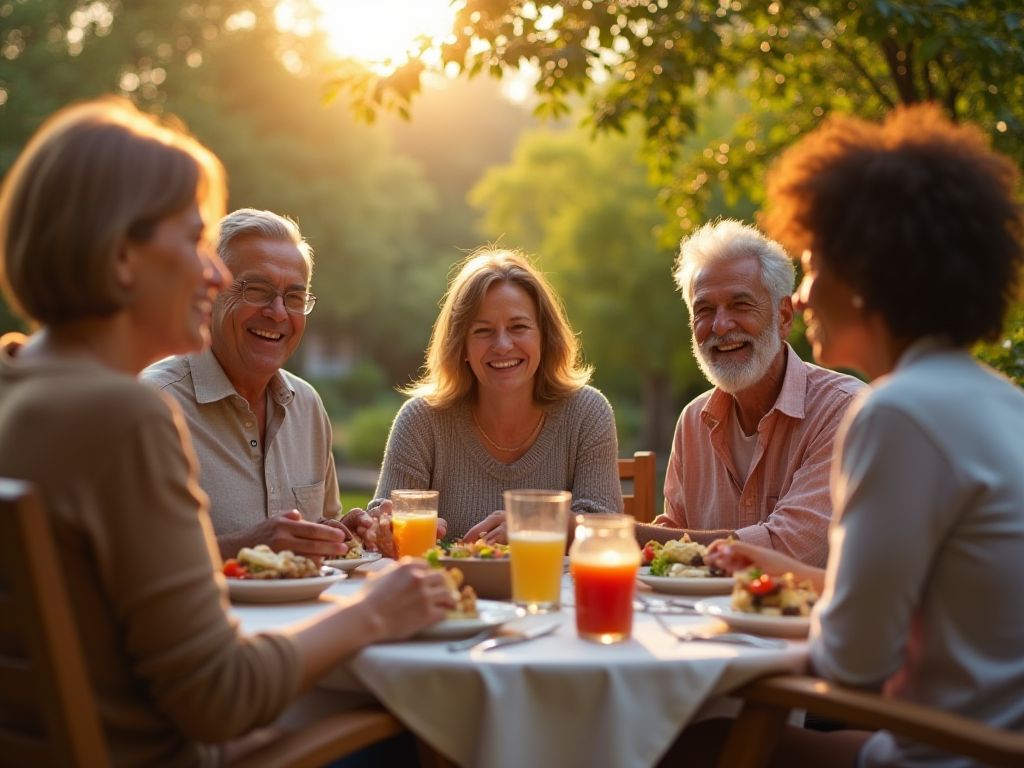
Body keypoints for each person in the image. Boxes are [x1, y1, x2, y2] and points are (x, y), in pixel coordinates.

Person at [0, 97, 453, 767]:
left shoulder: (17, 385)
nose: (211, 275)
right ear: (121, 255)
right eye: (193, 241)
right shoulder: (126, 417)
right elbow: (219, 695)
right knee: (435, 729)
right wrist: (377, 611)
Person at [684, 105, 1024, 767]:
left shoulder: (898, 412)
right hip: (993, 741)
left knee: (689, 741)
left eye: (812, 267)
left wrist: (709, 637)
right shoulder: (1000, 401)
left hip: (948, 754)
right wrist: (783, 572)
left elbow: (853, 660)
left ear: (867, 278)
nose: (803, 296)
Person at [143, 208, 368, 562]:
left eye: (294, 298)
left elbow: (315, 539)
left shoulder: (307, 405)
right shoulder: (153, 404)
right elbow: (129, 563)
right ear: (212, 289)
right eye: (257, 290)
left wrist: (342, 533)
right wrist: (245, 547)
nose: (278, 312)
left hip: (307, 616)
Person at [637, 220, 863, 567]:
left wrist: (615, 533)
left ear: (784, 316)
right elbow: (675, 538)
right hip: (706, 620)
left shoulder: (845, 412)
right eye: (704, 310)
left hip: (804, 621)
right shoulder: (694, 421)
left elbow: (786, 547)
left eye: (740, 305)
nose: (721, 326)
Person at [369, 247, 622, 545]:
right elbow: (384, 523)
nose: (502, 345)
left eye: (518, 327)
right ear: (461, 346)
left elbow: (605, 529)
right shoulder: (422, 420)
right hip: (448, 589)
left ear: (545, 336)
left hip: (550, 590)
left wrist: (533, 524)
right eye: (483, 331)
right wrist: (380, 528)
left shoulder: (587, 412)